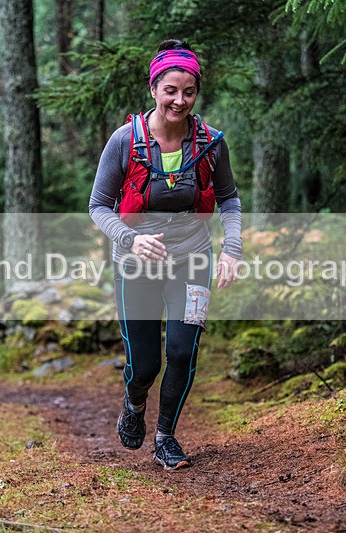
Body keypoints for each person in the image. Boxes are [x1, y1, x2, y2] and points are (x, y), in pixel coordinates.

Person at [88, 39, 242, 470]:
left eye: (188, 91)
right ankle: (134, 403)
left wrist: (231, 249)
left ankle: (166, 437)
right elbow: (98, 206)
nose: (180, 100)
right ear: (154, 88)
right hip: (136, 264)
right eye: (171, 90)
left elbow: (229, 199)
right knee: (145, 364)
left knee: (182, 348)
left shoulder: (210, 143)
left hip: (194, 258)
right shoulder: (126, 141)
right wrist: (129, 239)